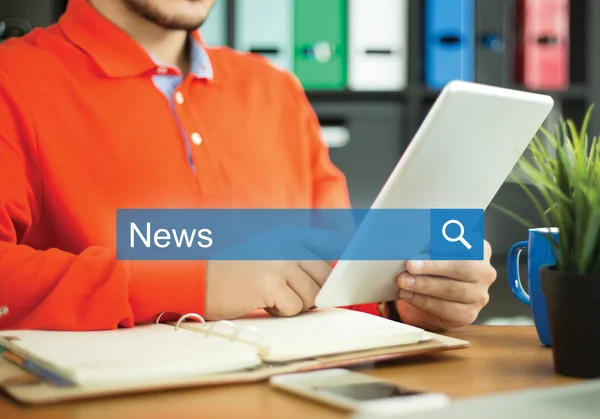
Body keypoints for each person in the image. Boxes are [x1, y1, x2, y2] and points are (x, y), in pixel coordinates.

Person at [0, 0, 497, 332]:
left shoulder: (275, 89)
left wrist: (402, 299)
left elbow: (332, 276)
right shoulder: (13, 79)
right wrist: (195, 282)